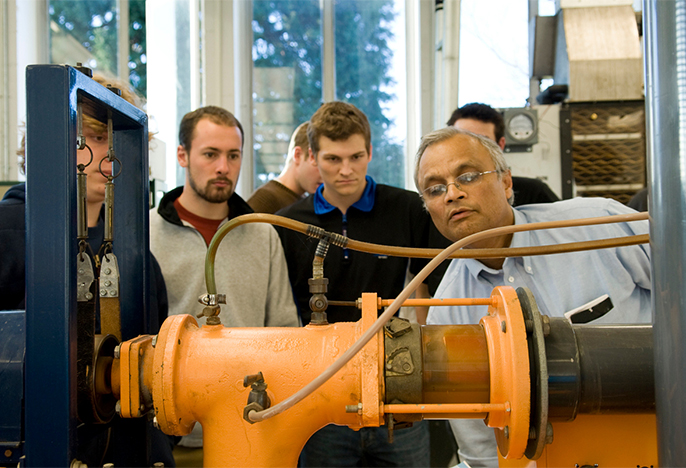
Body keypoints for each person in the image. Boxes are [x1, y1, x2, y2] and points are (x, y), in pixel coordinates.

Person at [414, 127, 652, 467]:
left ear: (507, 183)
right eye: (435, 189)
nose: (452, 194)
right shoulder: (449, 315)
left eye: (467, 176)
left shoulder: (597, 225)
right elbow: (483, 450)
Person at [0, 74, 174, 467]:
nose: (108, 155)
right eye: (93, 139)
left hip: (125, 443)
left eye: (114, 140)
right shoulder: (7, 232)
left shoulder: (137, 257)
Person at [276, 101, 432, 467]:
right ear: (312, 157)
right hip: (320, 394)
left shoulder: (407, 209)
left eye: (356, 157)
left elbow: (439, 285)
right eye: (332, 159)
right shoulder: (288, 223)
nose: (346, 170)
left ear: (370, 152)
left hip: (398, 386)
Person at [149, 106, 299, 462]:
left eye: (233, 156)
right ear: (183, 155)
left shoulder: (263, 234)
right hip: (169, 435)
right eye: (211, 154)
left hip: (251, 429)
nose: (223, 167)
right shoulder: (146, 234)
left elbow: (286, 332)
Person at [447, 102, 559, 206]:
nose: (470, 150)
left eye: (483, 142)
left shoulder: (534, 194)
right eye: (462, 141)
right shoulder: (436, 200)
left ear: (500, 145)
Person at [247, 121, 322, 213]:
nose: (325, 173)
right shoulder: (264, 200)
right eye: (318, 164)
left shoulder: (304, 201)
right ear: (297, 155)